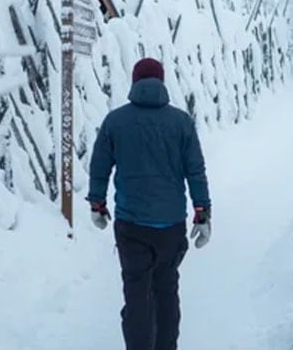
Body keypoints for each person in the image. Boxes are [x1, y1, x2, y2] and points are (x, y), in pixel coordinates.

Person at [86, 57, 212, 350]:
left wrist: (97, 204)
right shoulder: (181, 122)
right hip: (171, 225)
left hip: (131, 225)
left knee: (136, 293)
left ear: (134, 82)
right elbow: (195, 170)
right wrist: (202, 212)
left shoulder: (116, 121)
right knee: (166, 290)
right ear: (162, 82)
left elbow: (100, 166)